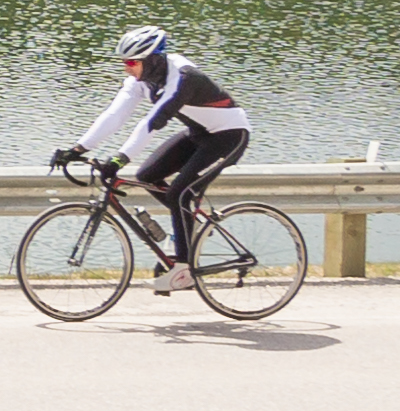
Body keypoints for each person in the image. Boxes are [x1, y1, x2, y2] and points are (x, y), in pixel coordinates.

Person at [60, 24, 254, 286]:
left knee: (179, 193)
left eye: (131, 62)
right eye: (124, 62)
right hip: (200, 133)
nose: (126, 67)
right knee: (147, 175)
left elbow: (152, 122)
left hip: (230, 135)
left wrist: (120, 158)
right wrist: (77, 149)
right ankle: (190, 222)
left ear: (151, 60)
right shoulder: (142, 80)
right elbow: (114, 115)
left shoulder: (183, 78)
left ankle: (183, 271)